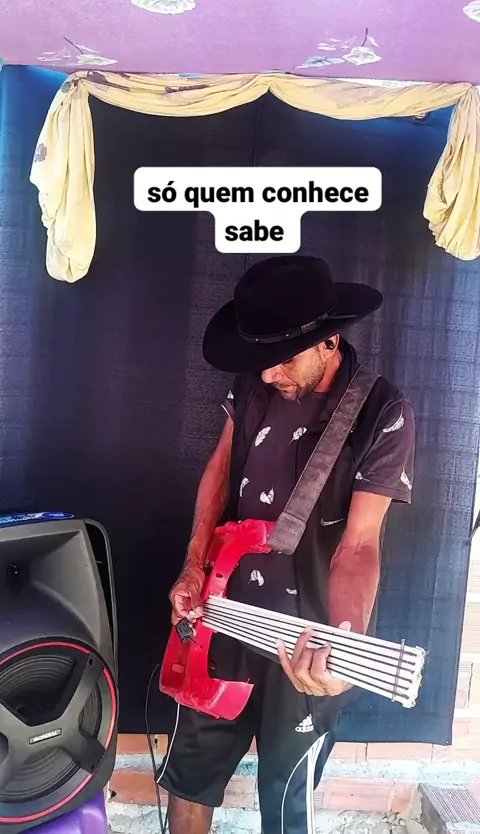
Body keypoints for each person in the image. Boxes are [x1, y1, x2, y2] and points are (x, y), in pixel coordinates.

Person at [159, 255, 415, 834]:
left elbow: (360, 546)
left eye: (284, 359)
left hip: (307, 639)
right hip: (224, 612)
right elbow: (220, 469)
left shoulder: (383, 411)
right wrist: (193, 566)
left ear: (328, 340)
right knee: (190, 779)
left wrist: (343, 648)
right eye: (262, 360)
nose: (270, 374)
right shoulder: (254, 382)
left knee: (286, 800)